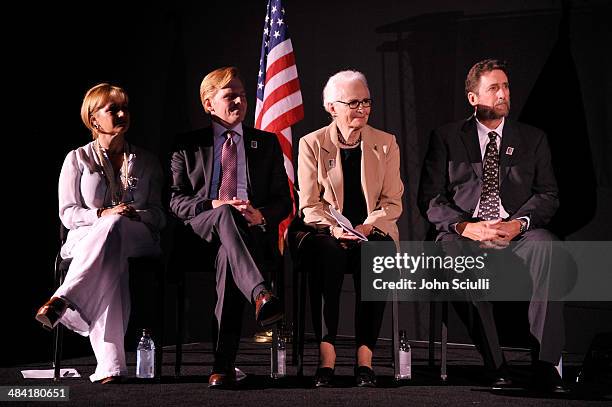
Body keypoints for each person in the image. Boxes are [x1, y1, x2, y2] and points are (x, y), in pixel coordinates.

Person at [419, 59, 568, 393]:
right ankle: (495, 365)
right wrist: (464, 227)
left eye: (506, 87)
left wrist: (517, 224)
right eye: (494, 88)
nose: (503, 94)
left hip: (517, 231)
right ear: (473, 98)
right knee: (455, 258)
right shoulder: (446, 137)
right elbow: (430, 199)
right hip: (465, 233)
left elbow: (548, 195)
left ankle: (546, 367)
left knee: (550, 248)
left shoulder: (533, 138)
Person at [35, 83, 166, 383]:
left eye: (125, 109)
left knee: (117, 228)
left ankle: (65, 298)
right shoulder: (77, 159)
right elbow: (68, 214)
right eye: (113, 110)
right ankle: (111, 367)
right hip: (87, 238)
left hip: (139, 236)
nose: (122, 114)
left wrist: (135, 214)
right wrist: (102, 214)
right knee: (111, 257)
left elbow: (159, 216)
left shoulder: (146, 161)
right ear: (94, 119)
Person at [169, 66, 290, 388]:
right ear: (209, 104)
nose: (239, 101)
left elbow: (283, 201)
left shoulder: (266, 143)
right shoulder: (187, 145)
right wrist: (214, 205)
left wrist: (260, 215)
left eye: (243, 95)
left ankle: (222, 366)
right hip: (199, 233)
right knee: (224, 216)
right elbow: (176, 201)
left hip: (246, 235)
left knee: (229, 255)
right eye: (230, 95)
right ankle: (261, 292)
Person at [297, 70, 404, 387]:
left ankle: (365, 360)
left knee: (377, 255)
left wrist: (367, 227)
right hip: (328, 234)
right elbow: (309, 204)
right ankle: (327, 357)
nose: (362, 109)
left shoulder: (385, 144)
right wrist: (335, 229)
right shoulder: (312, 144)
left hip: (371, 233)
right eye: (354, 102)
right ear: (331, 106)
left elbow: (392, 201)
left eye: (367, 102)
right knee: (326, 255)